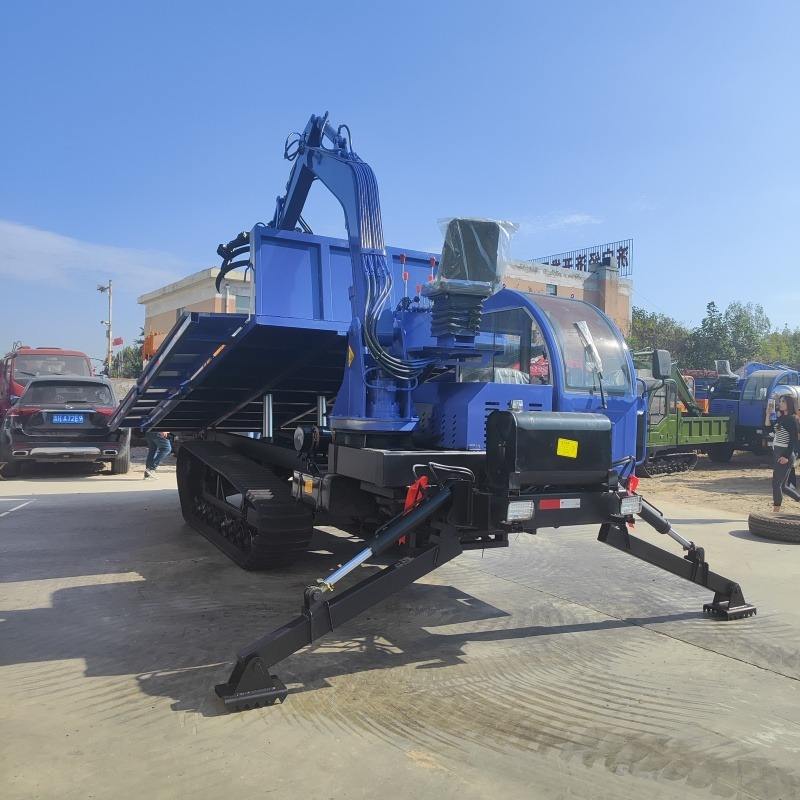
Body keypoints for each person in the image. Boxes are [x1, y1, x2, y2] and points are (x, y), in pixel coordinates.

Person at [770, 396, 800, 512]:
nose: (781, 403)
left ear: (789, 404)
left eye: (783, 401)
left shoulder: (792, 419)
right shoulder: (782, 418)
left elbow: (793, 440)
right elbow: (773, 431)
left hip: (785, 454)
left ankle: (775, 512)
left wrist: (786, 457)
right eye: (780, 401)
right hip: (778, 453)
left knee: (776, 484)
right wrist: (768, 414)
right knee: (783, 486)